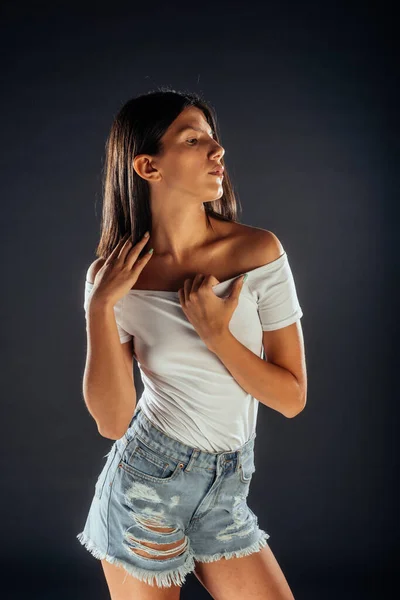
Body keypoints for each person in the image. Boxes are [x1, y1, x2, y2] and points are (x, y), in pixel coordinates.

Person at [76, 87, 307, 600]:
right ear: (148, 167)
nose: (217, 149)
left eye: (213, 137)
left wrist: (216, 335)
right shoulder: (114, 279)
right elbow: (113, 422)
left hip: (227, 488)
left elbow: (291, 398)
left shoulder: (257, 251)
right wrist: (100, 308)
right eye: (192, 139)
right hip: (145, 486)